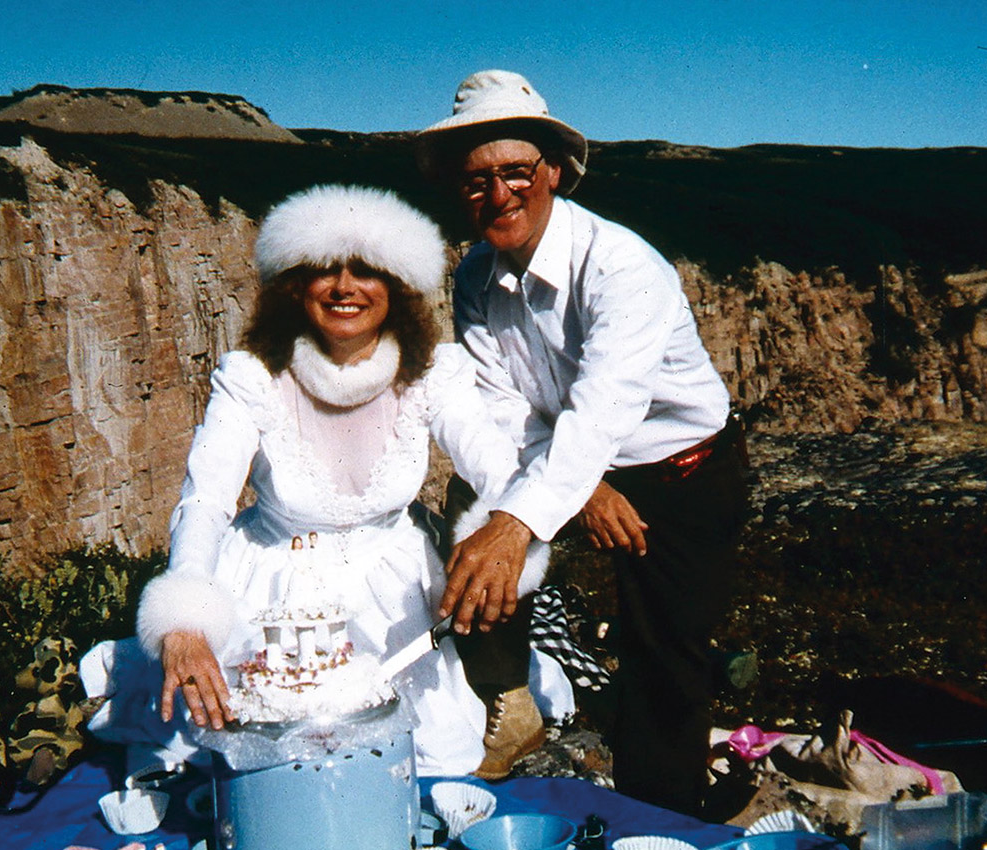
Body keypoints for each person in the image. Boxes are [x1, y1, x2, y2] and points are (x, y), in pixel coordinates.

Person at [78, 184, 555, 778]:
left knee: (423, 762)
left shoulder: (435, 372)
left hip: (393, 599)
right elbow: (205, 500)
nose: (344, 287)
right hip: (270, 591)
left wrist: (509, 539)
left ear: (397, 286)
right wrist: (185, 620)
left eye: (367, 271)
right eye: (324, 270)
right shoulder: (251, 376)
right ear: (295, 285)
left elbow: (497, 467)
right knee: (240, 756)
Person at [417, 71, 750, 813]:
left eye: (515, 172)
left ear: (554, 173)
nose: (498, 194)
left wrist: (522, 523)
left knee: (663, 650)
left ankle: (657, 817)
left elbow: (606, 409)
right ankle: (507, 701)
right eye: (476, 181)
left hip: (678, 470)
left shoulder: (620, 267)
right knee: (473, 501)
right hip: (572, 462)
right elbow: (501, 407)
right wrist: (585, 491)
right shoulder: (475, 276)